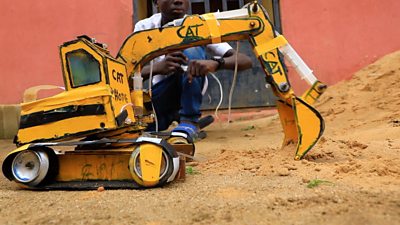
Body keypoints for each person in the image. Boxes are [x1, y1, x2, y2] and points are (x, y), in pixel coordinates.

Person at [134, 0, 252, 139]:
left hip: (191, 87)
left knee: (192, 47)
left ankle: (189, 119)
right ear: (155, 2)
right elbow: (126, 75)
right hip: (160, 96)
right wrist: (158, 68)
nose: (178, 1)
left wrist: (216, 63)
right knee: (139, 128)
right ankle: (178, 116)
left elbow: (245, 61)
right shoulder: (144, 28)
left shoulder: (199, 26)